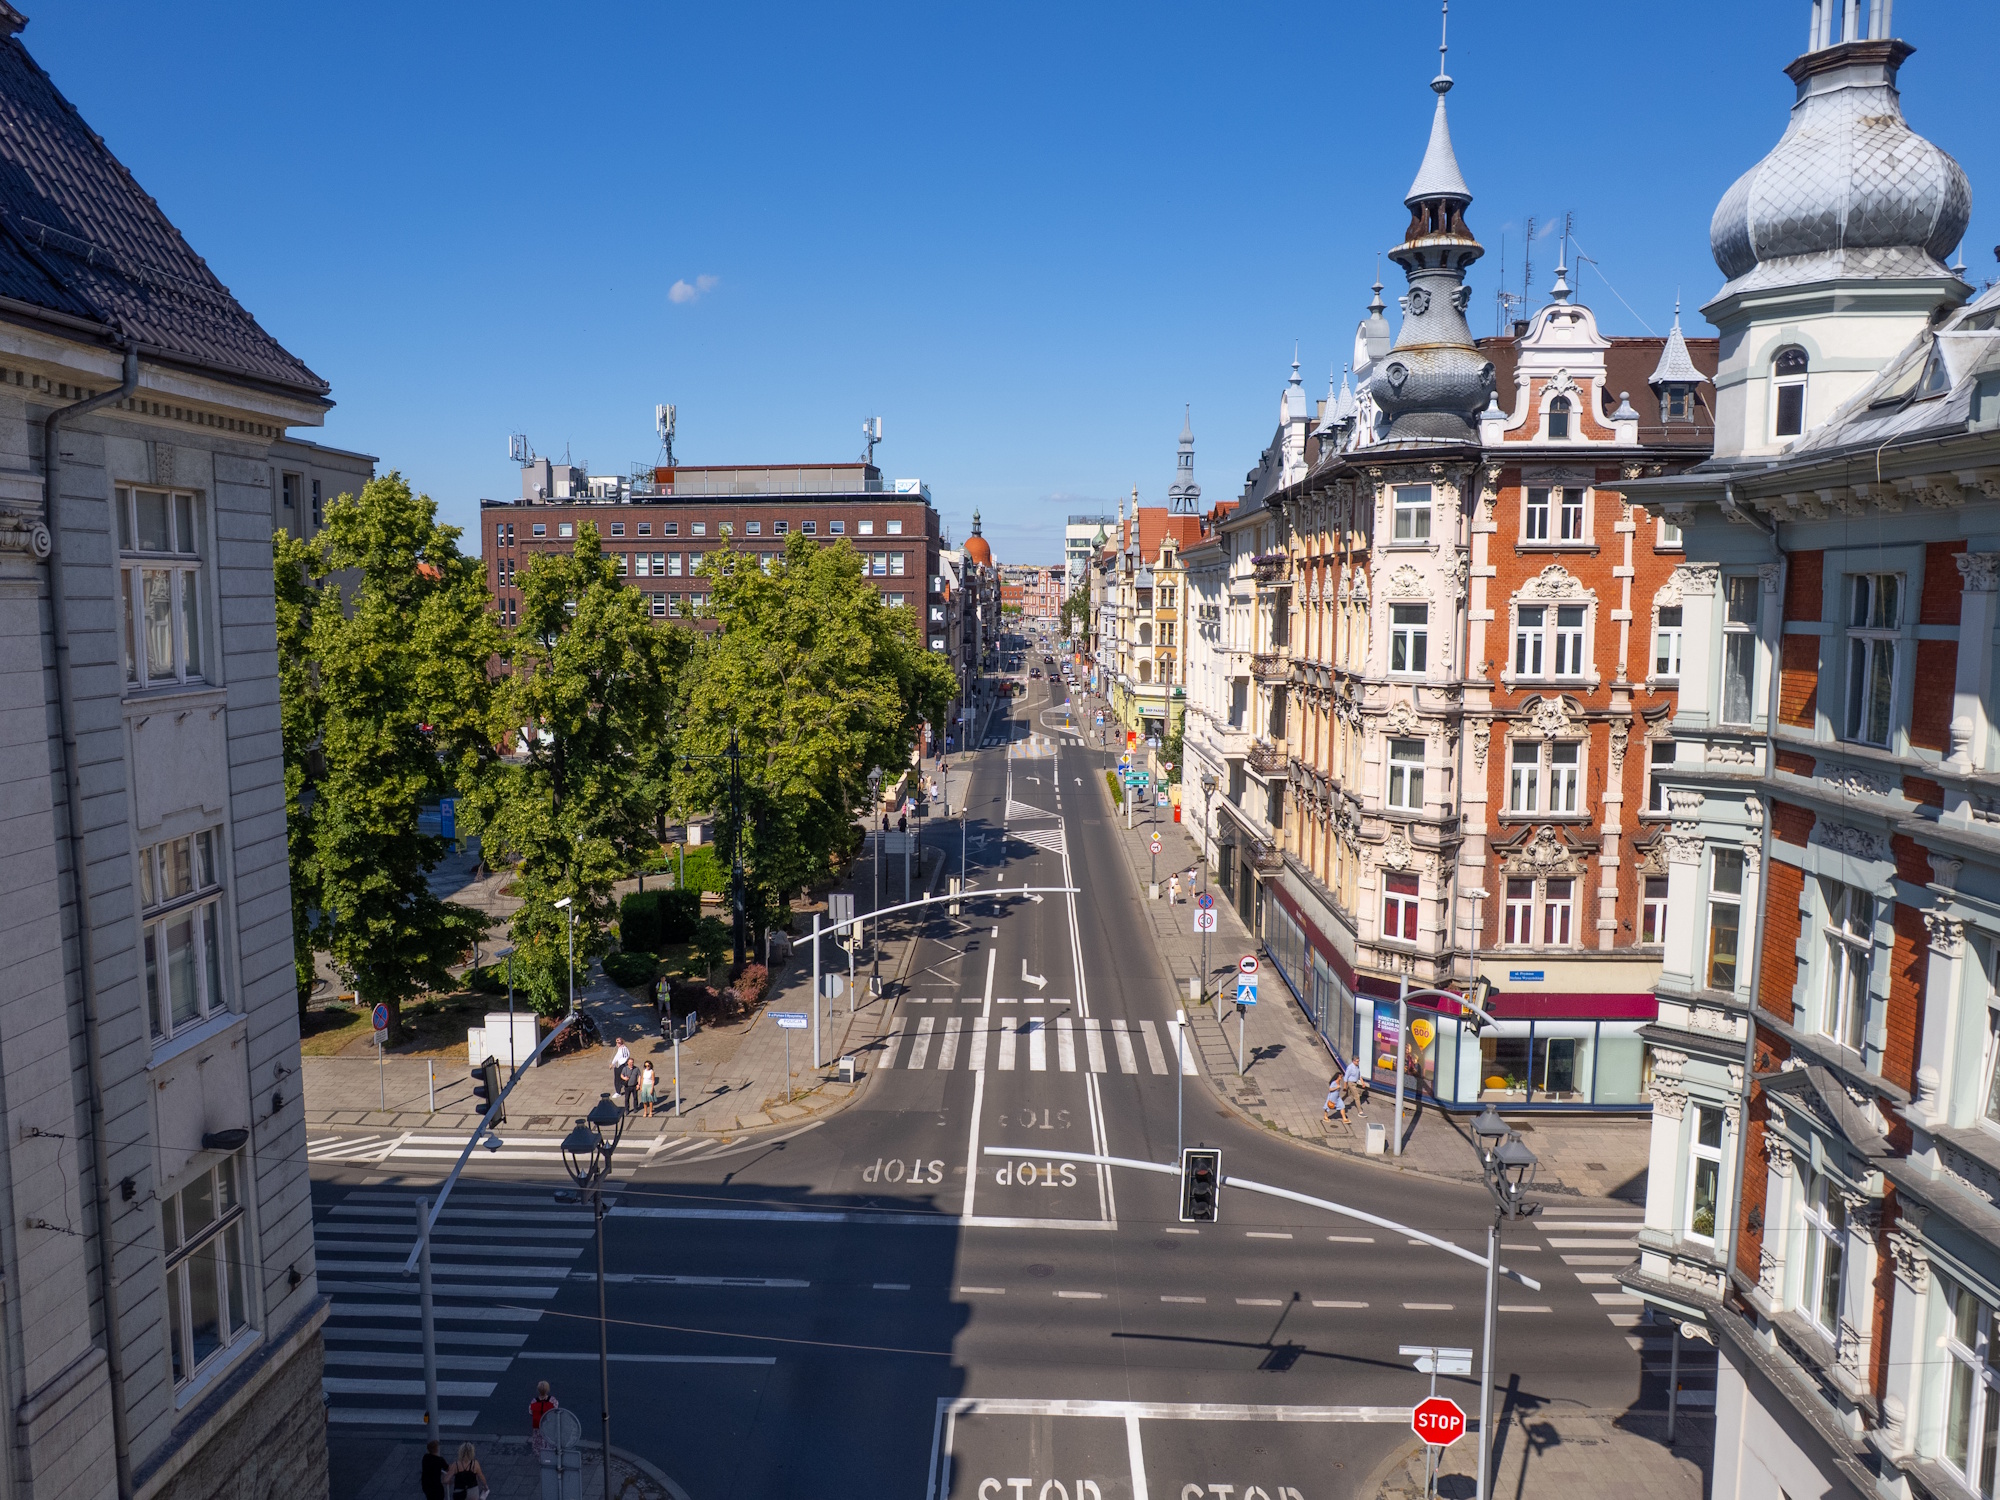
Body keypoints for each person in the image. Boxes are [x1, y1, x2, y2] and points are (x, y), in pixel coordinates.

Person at [529, 1382, 559, 1455]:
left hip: (538, 1425)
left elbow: (530, 1412)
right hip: (549, 1425)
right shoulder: (552, 1400)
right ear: (548, 1390)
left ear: (538, 1390)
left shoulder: (534, 1401)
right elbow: (555, 1410)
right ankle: (550, 1455)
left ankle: (541, 1457)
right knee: (549, 1441)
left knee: (539, 1442)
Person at [610, 1035, 632, 1104]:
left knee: (620, 1078)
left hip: (621, 1066)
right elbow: (616, 1056)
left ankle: (620, 1091)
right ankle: (618, 1091)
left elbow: (625, 1057)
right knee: (617, 1079)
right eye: (617, 1043)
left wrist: (618, 1063)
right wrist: (613, 1063)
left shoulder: (624, 1049)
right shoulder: (619, 1049)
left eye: (619, 1043)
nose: (617, 1044)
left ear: (622, 1042)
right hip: (617, 1065)